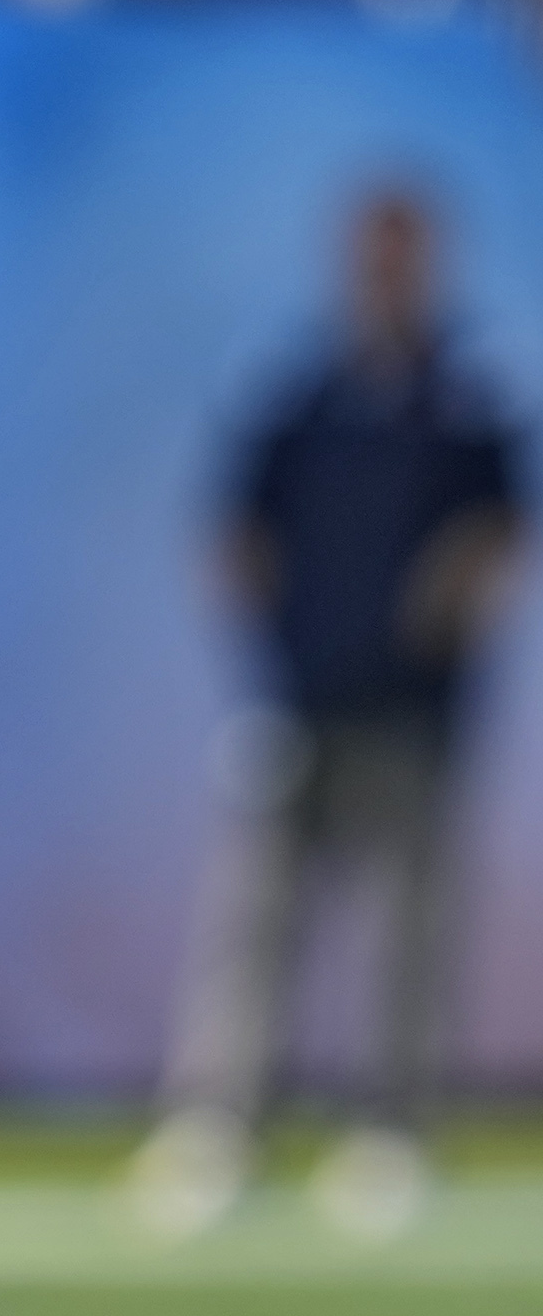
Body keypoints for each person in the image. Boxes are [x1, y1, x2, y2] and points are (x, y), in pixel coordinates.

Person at [134, 186, 524, 1238]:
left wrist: (437, 616)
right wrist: (274, 645)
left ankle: (391, 1131)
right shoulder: (302, 391)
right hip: (297, 697)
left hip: (411, 703)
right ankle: (221, 1126)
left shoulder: (465, 398)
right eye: (375, 254)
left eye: (407, 254)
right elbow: (238, 527)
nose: (388, 272)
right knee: (253, 925)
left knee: (407, 928)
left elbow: (494, 534)